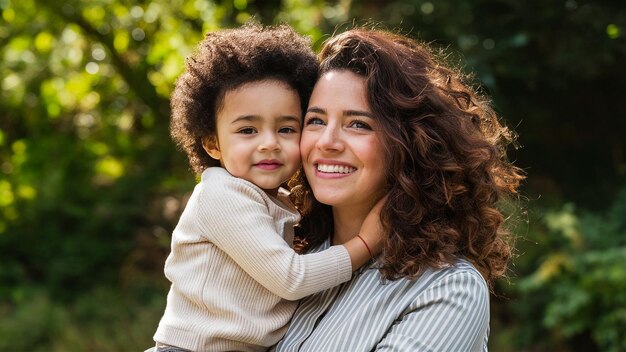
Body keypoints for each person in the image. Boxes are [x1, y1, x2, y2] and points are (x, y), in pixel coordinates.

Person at [272, 27, 525, 351]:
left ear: (410, 144)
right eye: (316, 120)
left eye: (358, 124)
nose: (327, 142)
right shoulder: (289, 259)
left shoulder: (447, 289)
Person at [151, 23, 382, 352]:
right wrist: (366, 243)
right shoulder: (222, 196)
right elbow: (292, 278)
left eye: (287, 129)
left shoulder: (277, 199)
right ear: (213, 144)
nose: (269, 144)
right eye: (248, 130)